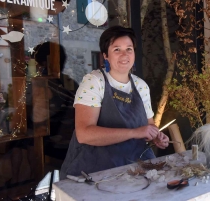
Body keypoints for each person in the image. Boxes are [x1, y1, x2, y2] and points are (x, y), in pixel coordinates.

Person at [60, 25, 169, 179]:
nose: (124, 55)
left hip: (134, 168)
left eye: (129, 49)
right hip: (95, 171)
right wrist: (134, 132)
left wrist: (156, 135)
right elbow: (84, 134)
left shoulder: (141, 86)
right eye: (117, 49)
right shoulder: (94, 82)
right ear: (106, 55)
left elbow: (149, 125)